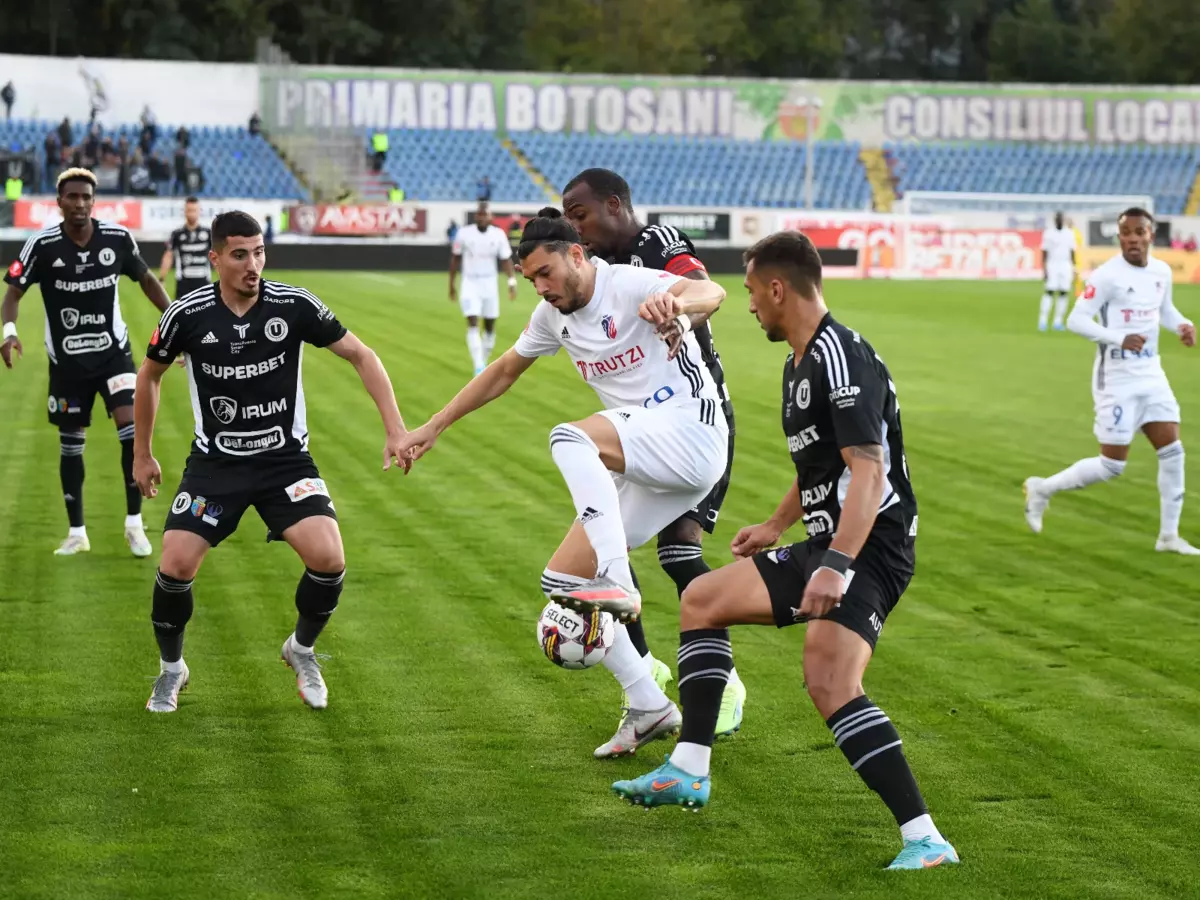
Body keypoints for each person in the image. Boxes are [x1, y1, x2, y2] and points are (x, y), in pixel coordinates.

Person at [611, 231, 959, 871]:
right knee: (702, 599)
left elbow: (869, 473)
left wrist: (837, 563)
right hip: (830, 541)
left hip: (870, 547)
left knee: (831, 683)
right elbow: (821, 466)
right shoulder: (798, 362)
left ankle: (926, 840)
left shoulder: (840, 359)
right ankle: (689, 767)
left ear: (778, 289)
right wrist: (775, 524)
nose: (746, 306)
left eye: (749, 292)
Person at [400, 209, 729, 758]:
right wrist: (433, 426)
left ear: (577, 255)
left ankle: (619, 581)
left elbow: (711, 291)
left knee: (569, 438)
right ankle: (648, 703)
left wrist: (677, 303)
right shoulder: (552, 316)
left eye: (547, 273)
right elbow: (504, 368)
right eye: (531, 279)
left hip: (691, 433)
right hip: (651, 462)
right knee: (562, 581)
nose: (542, 287)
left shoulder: (629, 284)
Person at [132, 211, 413, 713]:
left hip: (286, 462)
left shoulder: (294, 304)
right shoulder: (187, 314)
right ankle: (172, 670)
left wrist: (395, 429)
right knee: (175, 563)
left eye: (259, 252)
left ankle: (300, 650)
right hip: (216, 465)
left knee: (329, 560)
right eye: (240, 255)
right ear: (215, 258)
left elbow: (362, 356)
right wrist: (142, 453)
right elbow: (149, 376)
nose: (252, 265)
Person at [562, 167, 745, 736]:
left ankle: (726, 679)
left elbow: (704, 288)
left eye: (581, 214)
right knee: (606, 548)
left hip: (695, 418)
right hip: (641, 426)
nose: (576, 228)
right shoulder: (595, 272)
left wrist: (681, 312)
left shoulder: (658, 243)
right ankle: (645, 674)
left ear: (615, 204)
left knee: (677, 552)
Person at [1, 167, 171, 557]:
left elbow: (146, 279)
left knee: (131, 431)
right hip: (68, 363)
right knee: (71, 445)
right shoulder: (41, 246)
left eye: (86, 197)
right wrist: (9, 331)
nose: (79, 203)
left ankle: (134, 525)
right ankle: (77, 532)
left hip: (114, 354)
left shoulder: (116, 238)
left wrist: (175, 323)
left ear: (94, 201)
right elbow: (12, 294)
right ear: (59, 202)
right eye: (72, 197)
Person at [1024, 208, 1197, 554]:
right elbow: (1076, 319)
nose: (1132, 238)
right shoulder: (1106, 277)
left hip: (1152, 374)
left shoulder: (1161, 271)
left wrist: (1181, 324)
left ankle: (1168, 536)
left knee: (1173, 451)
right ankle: (1042, 489)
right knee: (1112, 465)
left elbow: (1162, 311)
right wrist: (1119, 338)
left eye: (1139, 232)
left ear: (1151, 234)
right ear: (1119, 237)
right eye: (1126, 233)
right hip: (1116, 378)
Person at [449, 202, 517, 375]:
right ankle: (478, 365)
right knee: (472, 321)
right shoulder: (464, 233)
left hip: (489, 283)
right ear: (475, 216)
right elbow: (455, 258)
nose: (481, 217)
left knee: (489, 326)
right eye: (479, 214)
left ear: (490, 217)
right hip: (470, 282)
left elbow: (505, 260)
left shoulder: (498, 235)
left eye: (484, 215)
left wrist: (511, 282)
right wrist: (451, 283)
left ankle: (483, 362)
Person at [158, 196, 213, 300]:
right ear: (184, 212)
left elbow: (218, 256)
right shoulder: (177, 234)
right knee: (182, 315)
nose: (192, 213)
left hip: (204, 284)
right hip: (183, 285)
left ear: (199, 212)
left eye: (194, 210)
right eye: (189, 210)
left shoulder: (208, 233)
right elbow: (169, 256)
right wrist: (162, 278)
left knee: (205, 315)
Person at [1039, 211, 1077, 332]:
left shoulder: (1070, 233)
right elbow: (1044, 251)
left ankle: (1058, 321)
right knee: (1049, 291)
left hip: (1066, 265)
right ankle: (1043, 320)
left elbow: (1072, 251)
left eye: (1061, 219)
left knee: (1063, 293)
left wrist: (1074, 267)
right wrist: (1044, 268)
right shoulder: (1048, 233)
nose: (1060, 221)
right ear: (1055, 220)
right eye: (1058, 219)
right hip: (1052, 264)